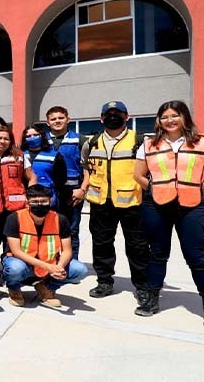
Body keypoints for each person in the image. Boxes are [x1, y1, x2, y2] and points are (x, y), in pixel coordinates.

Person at [133, 100, 204, 319]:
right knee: (158, 252)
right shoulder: (148, 144)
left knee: (197, 255)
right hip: (156, 205)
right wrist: (155, 190)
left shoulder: (201, 143)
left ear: (184, 117)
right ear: (159, 121)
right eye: (164, 117)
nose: (169, 120)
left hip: (192, 205)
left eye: (174, 115)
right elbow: (138, 175)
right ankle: (152, 298)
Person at [80, 101, 149, 302]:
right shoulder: (91, 142)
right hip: (100, 203)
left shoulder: (139, 141)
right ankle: (104, 281)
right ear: (101, 119)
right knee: (101, 244)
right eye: (108, 114)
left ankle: (142, 286)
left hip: (132, 203)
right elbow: (86, 165)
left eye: (117, 113)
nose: (113, 116)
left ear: (126, 117)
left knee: (137, 246)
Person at [3, 185, 88, 307]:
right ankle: (14, 289)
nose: (39, 205)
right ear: (27, 202)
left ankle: (46, 288)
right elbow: (16, 251)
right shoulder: (15, 218)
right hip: (23, 262)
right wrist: (48, 267)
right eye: (35, 202)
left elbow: (68, 250)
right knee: (15, 268)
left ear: (51, 201)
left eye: (43, 201)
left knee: (80, 270)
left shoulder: (60, 219)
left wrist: (59, 267)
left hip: (50, 262)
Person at [0, 127, 35, 281]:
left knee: (12, 243)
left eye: (6, 138)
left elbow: (32, 177)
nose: (2, 141)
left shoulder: (19, 156)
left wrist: (30, 199)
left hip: (16, 210)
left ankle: (12, 273)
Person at [46, 106, 87, 259]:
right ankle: (52, 261)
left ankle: (71, 263)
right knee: (50, 229)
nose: (57, 121)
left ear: (68, 120)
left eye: (61, 118)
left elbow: (88, 168)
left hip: (73, 194)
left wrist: (82, 189)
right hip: (49, 193)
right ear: (48, 122)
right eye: (53, 119)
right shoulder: (42, 140)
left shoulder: (79, 140)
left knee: (71, 230)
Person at [22, 124, 67, 209]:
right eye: (29, 136)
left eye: (35, 135)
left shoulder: (54, 155)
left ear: (42, 136)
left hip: (48, 199)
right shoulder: (20, 155)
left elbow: (61, 180)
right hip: (25, 200)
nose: (32, 138)